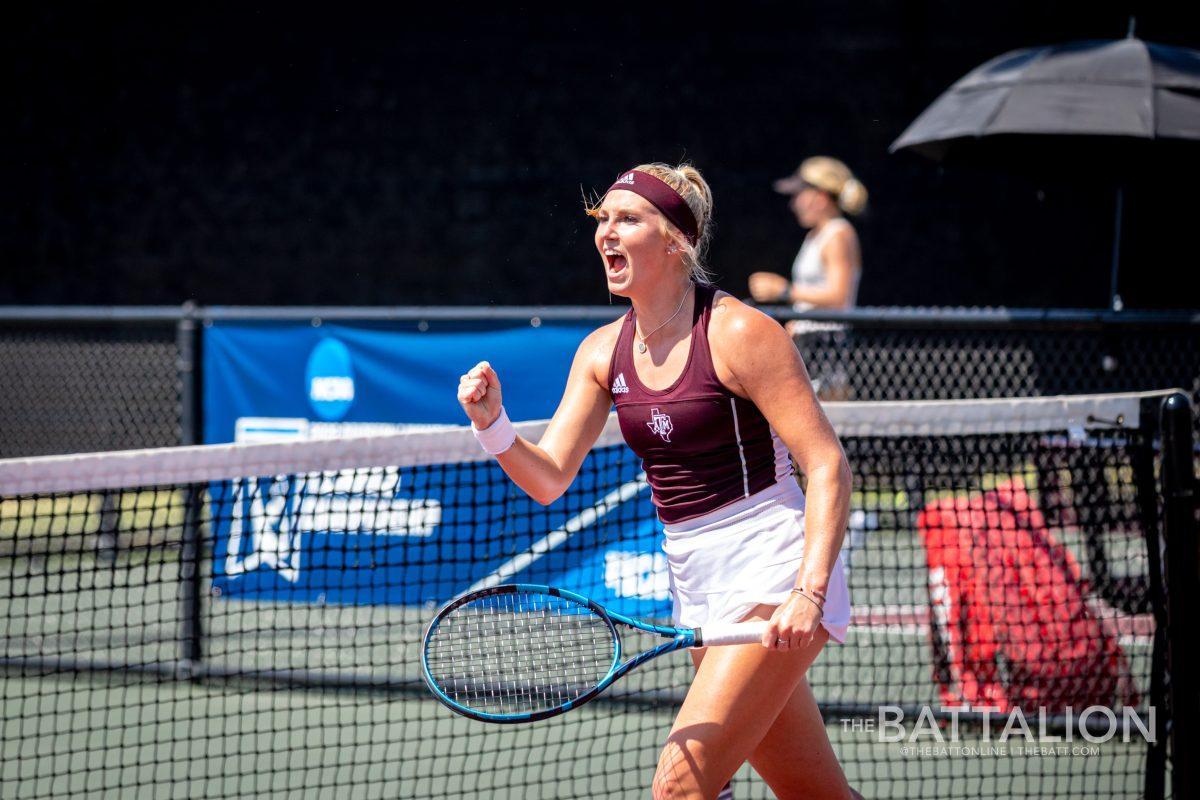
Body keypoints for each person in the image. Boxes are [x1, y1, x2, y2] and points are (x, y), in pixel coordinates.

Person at [457, 162, 859, 800]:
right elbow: (548, 478)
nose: (605, 235)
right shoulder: (600, 352)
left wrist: (808, 593)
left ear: (676, 240)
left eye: (626, 220)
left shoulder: (740, 333)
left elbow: (826, 464)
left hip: (773, 565)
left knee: (679, 791)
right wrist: (493, 425)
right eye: (602, 222)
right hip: (695, 581)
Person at [748, 156, 866, 312]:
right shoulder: (815, 235)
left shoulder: (838, 233)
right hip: (809, 334)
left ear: (821, 197)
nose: (793, 204)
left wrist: (784, 290)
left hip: (826, 336)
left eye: (798, 195)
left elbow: (839, 296)